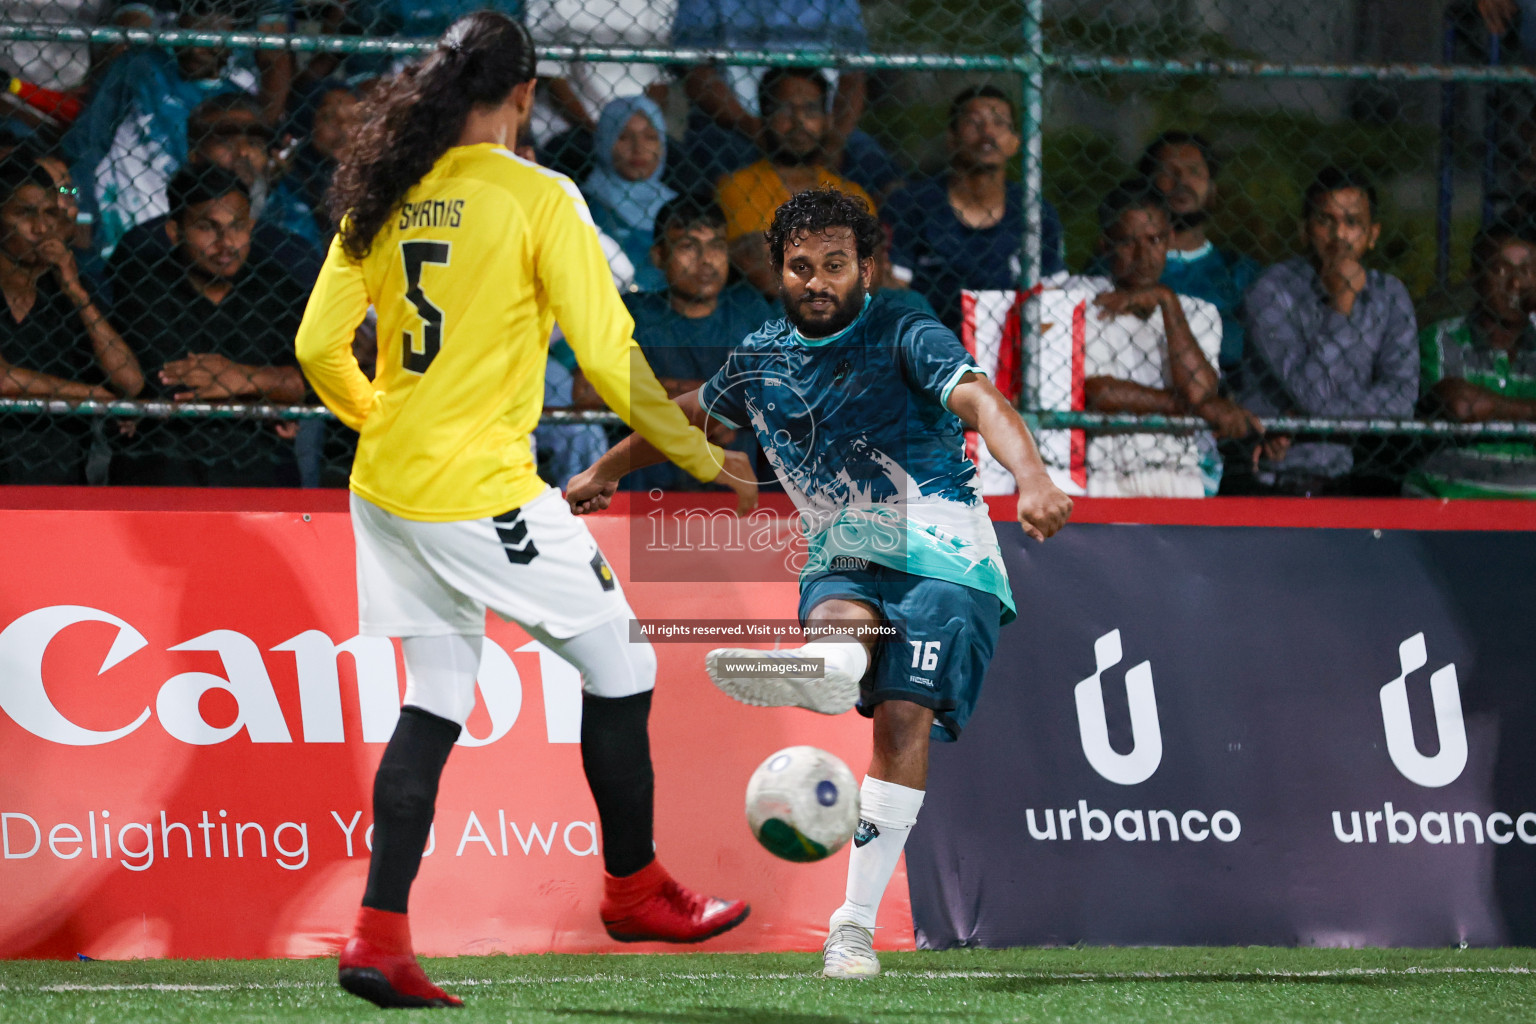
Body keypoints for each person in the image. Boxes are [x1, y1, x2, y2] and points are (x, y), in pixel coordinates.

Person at [293, 13, 754, 1008]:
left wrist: (391, 419)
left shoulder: (380, 194)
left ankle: (379, 933)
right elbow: (609, 358)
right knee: (621, 659)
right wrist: (702, 455)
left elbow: (318, 349)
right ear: (526, 97)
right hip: (480, 488)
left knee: (437, 696)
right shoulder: (542, 196)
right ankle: (634, 889)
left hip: (384, 486)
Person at [564, 187, 1074, 979]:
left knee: (901, 718)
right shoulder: (762, 354)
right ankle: (831, 667)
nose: (817, 281)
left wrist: (1032, 476)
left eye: (835, 265)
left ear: (864, 266)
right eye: (799, 267)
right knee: (838, 610)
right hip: (844, 543)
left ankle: (852, 926)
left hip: (943, 546)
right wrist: (601, 468)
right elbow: (690, 413)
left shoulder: (903, 324)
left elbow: (979, 398)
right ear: (777, 271)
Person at [1033, 181, 1260, 497]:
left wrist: (1165, 300)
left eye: (1153, 240)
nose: (1142, 255)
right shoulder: (1079, 299)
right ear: (1105, 244)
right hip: (1102, 474)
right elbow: (1096, 392)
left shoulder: (1196, 312)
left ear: (1168, 240)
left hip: (1179, 470)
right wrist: (1193, 408)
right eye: (1127, 242)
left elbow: (1199, 389)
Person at [112, 165, 308, 486]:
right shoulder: (142, 284)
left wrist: (243, 377)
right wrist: (263, 384)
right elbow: (164, 381)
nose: (226, 242)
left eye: (237, 227)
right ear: (175, 232)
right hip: (163, 473)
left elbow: (310, 384)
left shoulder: (278, 288)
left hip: (260, 474)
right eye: (208, 227)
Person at [1238, 167, 1419, 495]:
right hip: (1274, 476)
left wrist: (1301, 421)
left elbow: (1402, 396)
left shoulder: (1389, 293)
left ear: (1372, 234)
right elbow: (1313, 394)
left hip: (1358, 472)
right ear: (1305, 230)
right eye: (1326, 220)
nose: (1339, 235)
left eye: (1353, 222)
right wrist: (1342, 303)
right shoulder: (1271, 290)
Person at [62, 1, 256, 253]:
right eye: (197, 17)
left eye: (215, 30)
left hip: (196, 240)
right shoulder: (140, 68)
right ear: (178, 22)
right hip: (116, 227)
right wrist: (81, 211)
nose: (200, 46)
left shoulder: (237, 102)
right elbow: (84, 145)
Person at [0, 155, 141, 484]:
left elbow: (129, 381)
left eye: (50, 214)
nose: (41, 228)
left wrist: (76, 292)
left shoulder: (69, 290)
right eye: (24, 214)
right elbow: (3, 380)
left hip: (57, 472)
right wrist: (89, 394)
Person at [670, 0, 900, 199]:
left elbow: (853, 75)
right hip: (733, 124)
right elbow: (696, 72)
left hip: (820, 123)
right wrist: (753, 127)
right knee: (719, 174)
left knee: (884, 177)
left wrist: (835, 139)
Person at [881, 85, 1064, 332]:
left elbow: (1053, 299)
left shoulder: (1036, 213)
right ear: (952, 138)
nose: (987, 132)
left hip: (1009, 349)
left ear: (1015, 142)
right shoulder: (911, 204)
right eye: (974, 122)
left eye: (999, 123)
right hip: (927, 346)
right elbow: (892, 290)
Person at [621, 193, 771, 491]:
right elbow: (586, 391)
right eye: (689, 246)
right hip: (650, 485)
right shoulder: (635, 314)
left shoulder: (749, 310)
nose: (706, 260)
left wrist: (669, 394)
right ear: (659, 256)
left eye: (716, 246)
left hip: (737, 485)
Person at [716, 68, 875, 298]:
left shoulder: (850, 193)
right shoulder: (736, 186)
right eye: (785, 109)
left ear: (827, 120)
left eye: (810, 109)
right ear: (764, 119)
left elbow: (871, 272)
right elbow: (762, 273)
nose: (798, 121)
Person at [1407, 221, 1536, 498]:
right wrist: (1529, 411)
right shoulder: (1442, 339)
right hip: (1449, 499)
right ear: (1473, 277)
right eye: (1501, 270)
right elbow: (1460, 406)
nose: (1516, 284)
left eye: (1527, 272)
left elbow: (1474, 406)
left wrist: (1490, 406)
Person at [1134, 130, 1261, 372]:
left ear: (1212, 190)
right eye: (1168, 171)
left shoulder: (1240, 272)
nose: (1182, 180)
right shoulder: (1123, 265)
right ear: (1147, 185)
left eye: (1194, 171)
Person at [583, 96, 676, 294]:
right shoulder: (582, 205)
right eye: (623, 137)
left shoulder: (680, 206)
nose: (638, 149)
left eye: (650, 137)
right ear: (604, 140)